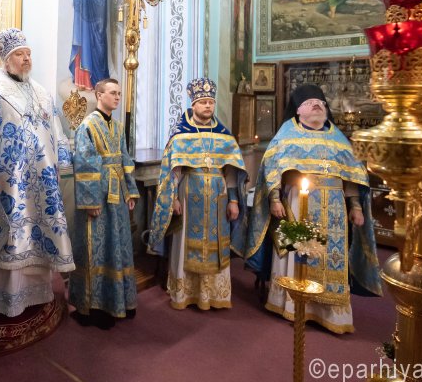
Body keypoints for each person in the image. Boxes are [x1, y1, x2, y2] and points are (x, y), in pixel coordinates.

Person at [232, 84, 382, 333]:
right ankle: (292, 304)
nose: (316, 105)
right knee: (296, 252)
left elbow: (352, 176)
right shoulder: (287, 135)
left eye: (320, 103)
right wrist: (275, 200)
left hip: (334, 208)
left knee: (330, 256)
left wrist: (355, 206)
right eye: (310, 103)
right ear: (298, 110)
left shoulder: (338, 139)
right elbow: (272, 169)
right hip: (295, 204)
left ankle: (330, 313)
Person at [0, 28, 75, 316]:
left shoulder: (42, 92)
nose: (27, 58)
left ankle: (37, 295)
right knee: (14, 234)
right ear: (6, 60)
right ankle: (4, 299)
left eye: (28, 53)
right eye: (20, 54)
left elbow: (56, 129)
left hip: (43, 179)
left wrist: (60, 165)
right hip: (9, 180)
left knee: (41, 232)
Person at [148, 77, 247, 310]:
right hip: (188, 194)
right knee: (185, 243)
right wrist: (173, 198)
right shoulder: (181, 135)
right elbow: (172, 170)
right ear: (193, 105)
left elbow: (231, 171)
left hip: (218, 200)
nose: (208, 106)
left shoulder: (224, 135)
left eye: (211, 102)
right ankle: (186, 293)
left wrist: (233, 200)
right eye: (203, 102)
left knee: (216, 246)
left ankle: (213, 295)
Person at [69, 78, 139, 328]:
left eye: (119, 93)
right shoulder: (87, 125)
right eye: (112, 93)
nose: (117, 97)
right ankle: (93, 307)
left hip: (117, 194)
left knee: (117, 245)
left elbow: (125, 159)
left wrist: (130, 192)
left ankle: (118, 301)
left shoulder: (118, 127)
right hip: (97, 195)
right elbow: (84, 164)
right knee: (95, 248)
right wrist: (90, 201)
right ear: (99, 95)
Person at [231, 0, 252, 89]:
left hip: (244, 8)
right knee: (237, 38)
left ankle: (244, 69)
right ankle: (237, 70)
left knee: (243, 38)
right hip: (239, 6)